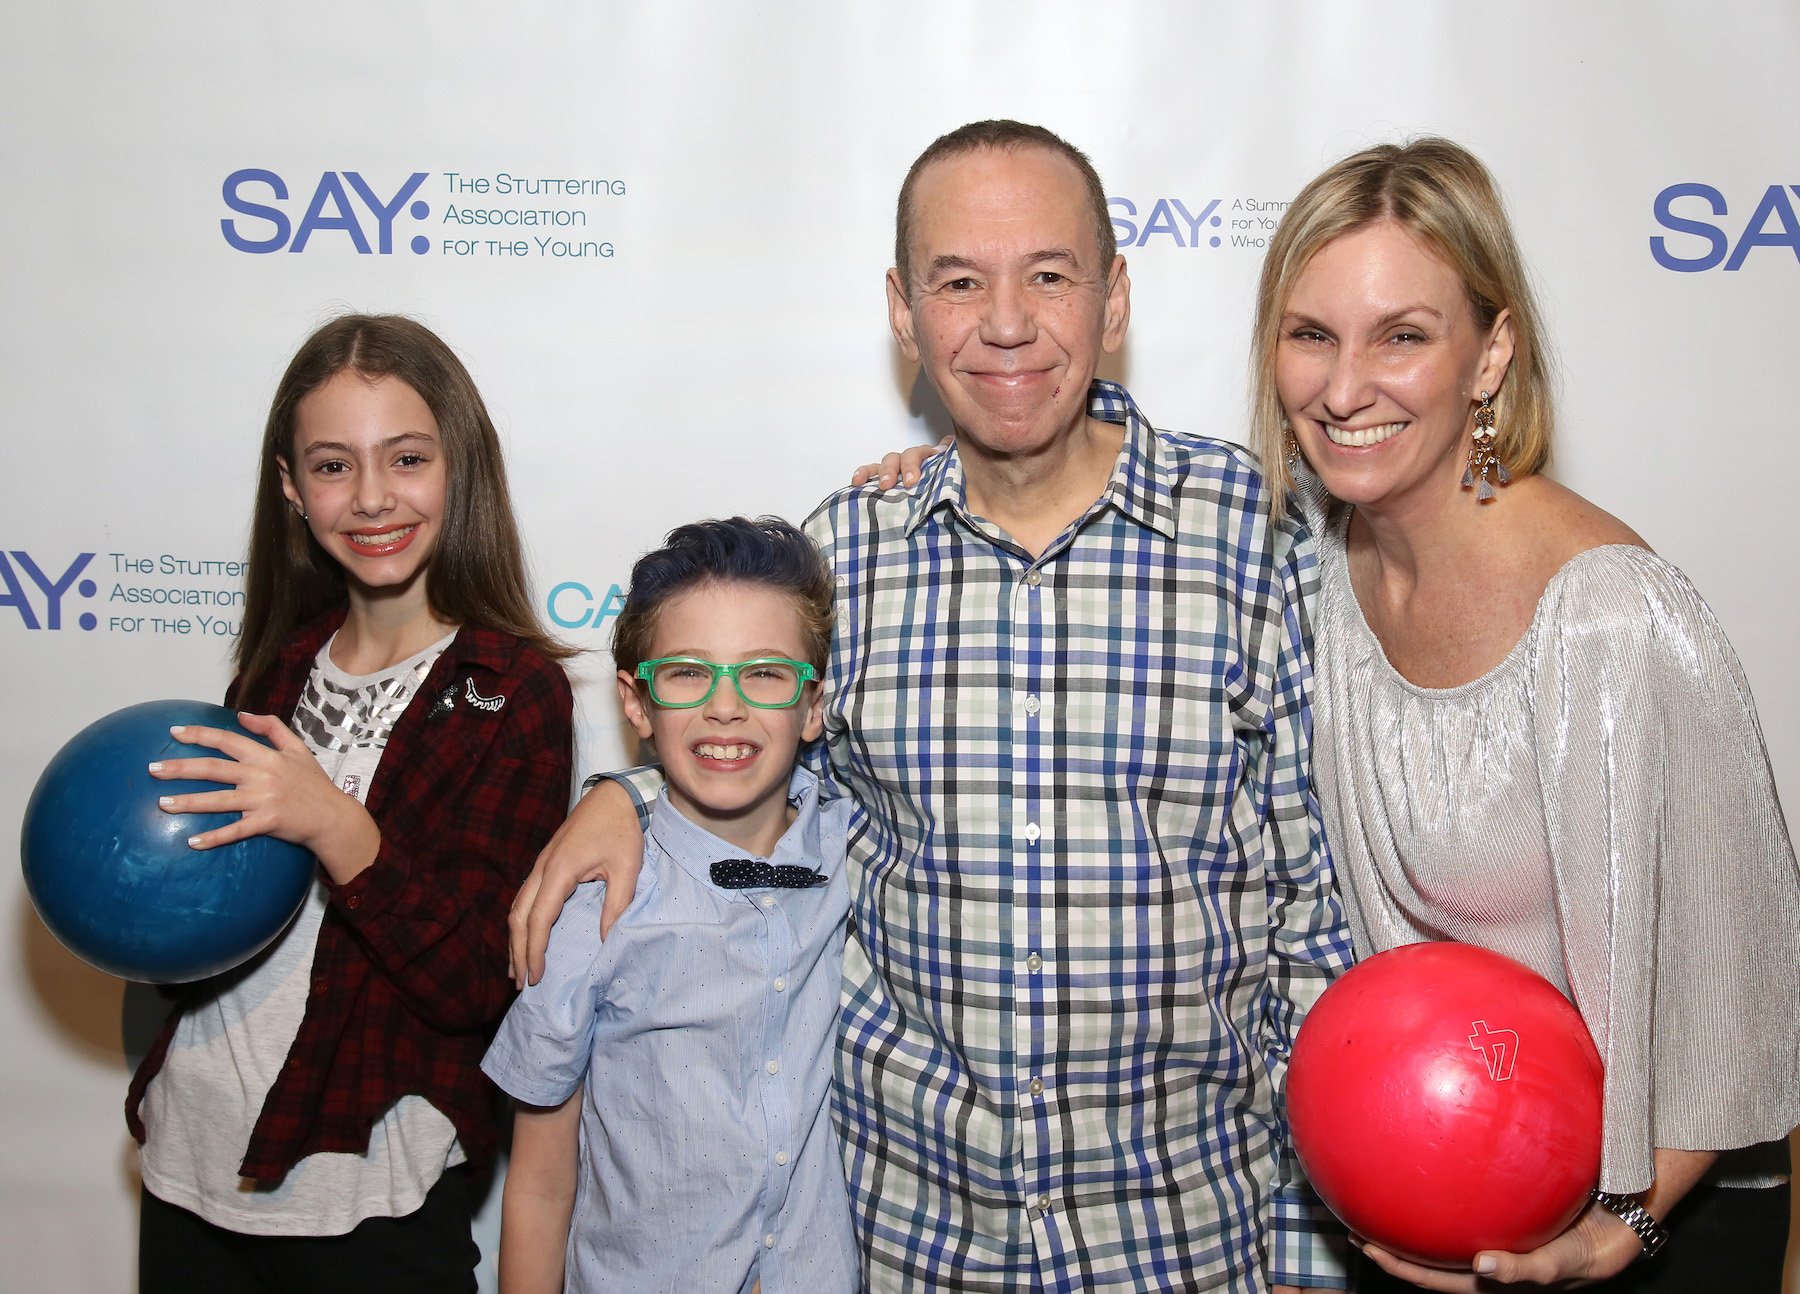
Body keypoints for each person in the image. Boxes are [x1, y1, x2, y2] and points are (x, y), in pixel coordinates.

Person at [510, 120, 1355, 1293]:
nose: (1005, 324)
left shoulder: (1253, 534)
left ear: (1115, 297)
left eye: (1048, 276)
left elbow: (1316, 918)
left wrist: (1319, 1253)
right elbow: (751, 765)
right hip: (907, 1243)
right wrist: (630, 792)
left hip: (1184, 1239)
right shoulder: (844, 554)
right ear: (905, 315)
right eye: (960, 282)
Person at [1247, 138, 1799, 1291]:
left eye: (1403, 335)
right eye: (1312, 335)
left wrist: (1626, 1226)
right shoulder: (1324, 565)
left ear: (1491, 352)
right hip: (1445, 1188)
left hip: (1648, 1224)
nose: (1345, 389)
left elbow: (1742, 979)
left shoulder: (1607, 616)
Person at [128, 314, 576, 1292]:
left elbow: (475, 981)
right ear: (291, 487)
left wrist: (333, 820)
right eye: (332, 466)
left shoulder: (512, 688)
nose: (372, 497)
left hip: (366, 1189)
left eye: (406, 457)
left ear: (459, 465)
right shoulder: (280, 666)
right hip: (189, 1158)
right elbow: (208, 916)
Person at [482, 516, 857, 1294]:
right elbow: (542, 1185)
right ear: (638, 702)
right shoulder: (590, 910)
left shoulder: (852, 842)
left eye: (764, 674)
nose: (726, 707)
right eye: (688, 673)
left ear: (813, 707)